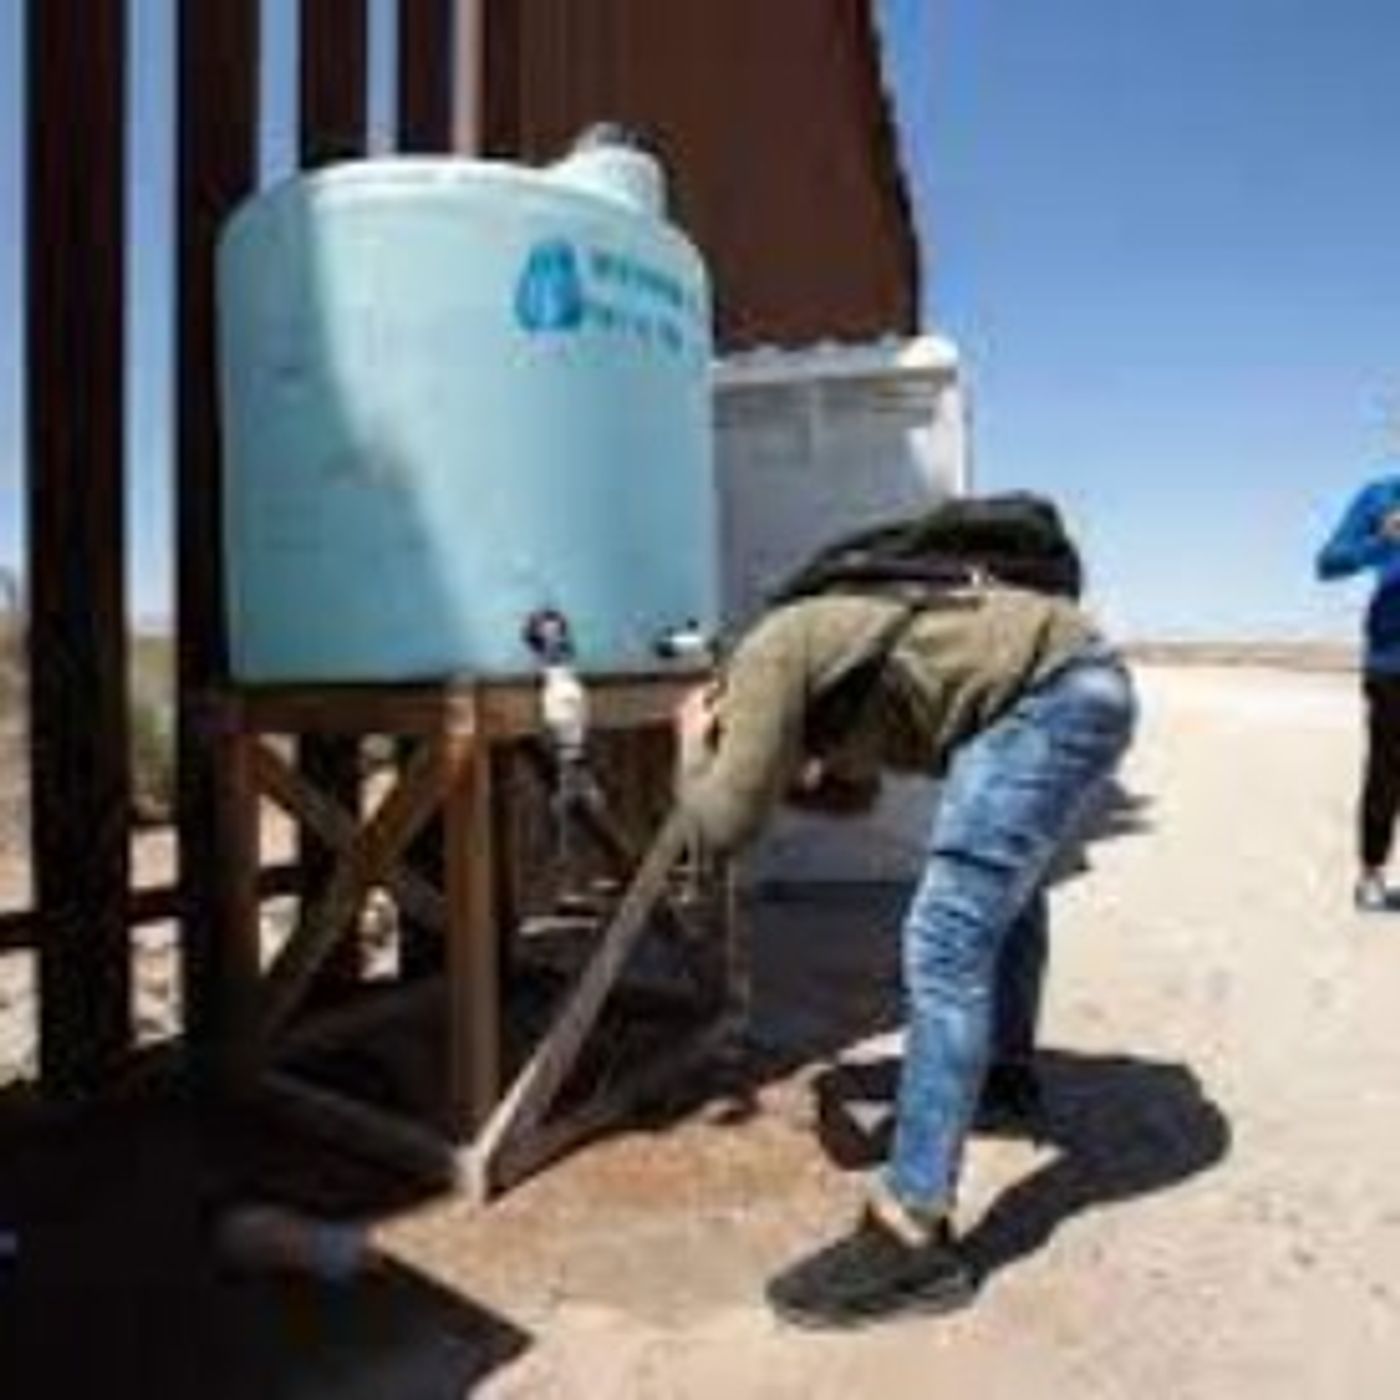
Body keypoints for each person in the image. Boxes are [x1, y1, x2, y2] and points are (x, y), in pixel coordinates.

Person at [678, 580, 1136, 1328]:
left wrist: (690, 752)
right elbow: (850, 798)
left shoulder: (766, 657)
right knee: (1004, 904)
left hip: (1047, 696)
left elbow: (719, 825)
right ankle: (1005, 1076)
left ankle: (911, 1234)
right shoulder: (832, 671)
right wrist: (773, 780)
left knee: (945, 938)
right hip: (1081, 682)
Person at [1317, 475, 1400, 911]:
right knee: (1387, 775)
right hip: (1392, 663)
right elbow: (1327, 563)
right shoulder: (1380, 496)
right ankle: (1372, 874)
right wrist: (1380, 540)